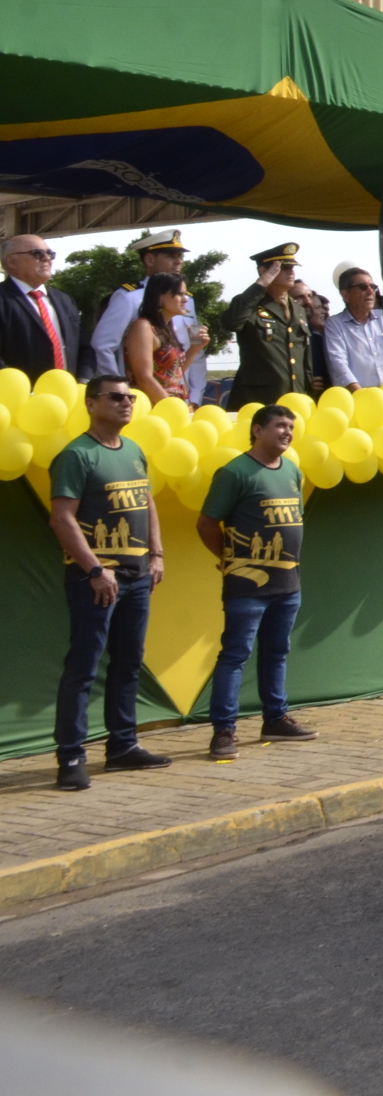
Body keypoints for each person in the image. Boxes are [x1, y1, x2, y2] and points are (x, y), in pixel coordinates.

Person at [49, 374, 171, 789]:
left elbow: (146, 500)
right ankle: (70, 757)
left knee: (128, 663)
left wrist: (156, 553)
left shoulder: (134, 450)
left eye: (130, 397)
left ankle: (122, 747)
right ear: (90, 404)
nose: (126, 403)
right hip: (95, 581)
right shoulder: (77, 455)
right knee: (83, 669)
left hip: (137, 579)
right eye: (116, 397)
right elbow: (62, 518)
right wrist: (95, 570)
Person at [197, 403, 318, 757]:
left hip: (288, 585)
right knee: (235, 654)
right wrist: (228, 559)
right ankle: (223, 731)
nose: (287, 433)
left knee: (277, 652)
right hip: (247, 587)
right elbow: (206, 524)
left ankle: (276, 719)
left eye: (291, 427)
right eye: (279, 426)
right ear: (256, 430)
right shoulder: (235, 473)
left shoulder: (293, 471)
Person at [89, 229, 193, 381]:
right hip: (141, 394)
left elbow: (191, 348)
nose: (179, 261)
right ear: (149, 260)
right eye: (171, 256)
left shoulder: (187, 299)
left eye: (179, 256)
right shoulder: (129, 297)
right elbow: (103, 345)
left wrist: (196, 393)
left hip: (180, 392)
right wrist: (117, 387)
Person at [226, 242, 315, 410]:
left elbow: (304, 357)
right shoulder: (249, 304)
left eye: (292, 267)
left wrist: (308, 392)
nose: (291, 272)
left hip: (296, 398)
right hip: (259, 401)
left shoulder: (298, 309)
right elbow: (232, 322)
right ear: (263, 271)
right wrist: (260, 284)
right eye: (283, 267)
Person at [0, 233, 89, 378]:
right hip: (18, 396)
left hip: (69, 394)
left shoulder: (64, 300)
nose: (46, 258)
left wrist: (83, 381)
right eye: (36, 253)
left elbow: (84, 348)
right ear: (11, 261)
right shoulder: (3, 298)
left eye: (50, 254)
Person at [323, 265, 383, 391]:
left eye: (373, 287)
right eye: (362, 287)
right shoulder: (334, 325)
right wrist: (362, 397)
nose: (370, 292)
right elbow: (339, 366)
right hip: (360, 402)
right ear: (345, 295)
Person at [121, 273, 203, 405]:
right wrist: (170, 408)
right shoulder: (143, 327)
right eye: (179, 294)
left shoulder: (166, 328)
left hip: (172, 405)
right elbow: (144, 378)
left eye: (185, 294)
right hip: (152, 407)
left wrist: (194, 349)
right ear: (159, 297)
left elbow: (173, 375)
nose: (185, 299)